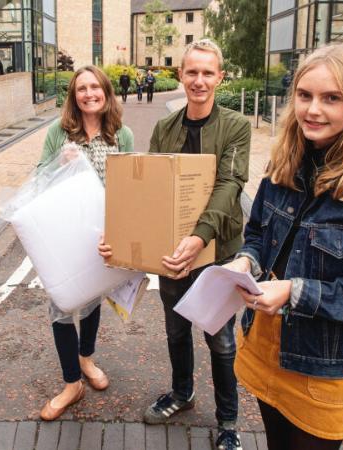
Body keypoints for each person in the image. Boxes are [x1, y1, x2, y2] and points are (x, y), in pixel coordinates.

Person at [229, 43, 343, 450]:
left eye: (332, 98)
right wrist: (247, 259)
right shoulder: (285, 162)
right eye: (305, 95)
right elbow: (258, 231)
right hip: (266, 344)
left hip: (325, 365)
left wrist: (295, 291)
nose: (313, 110)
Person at [100, 39, 250, 450]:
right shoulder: (166, 127)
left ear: (220, 77)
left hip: (217, 250)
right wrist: (123, 238)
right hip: (172, 256)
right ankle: (182, 395)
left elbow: (230, 184)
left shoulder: (235, 126)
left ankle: (229, 421)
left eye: (207, 73)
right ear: (180, 75)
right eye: (191, 72)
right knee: (176, 330)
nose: (199, 81)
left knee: (220, 340)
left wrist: (197, 237)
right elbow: (153, 189)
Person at [38, 65, 135, 421]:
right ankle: (71, 383)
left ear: (106, 92)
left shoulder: (121, 134)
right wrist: (56, 164)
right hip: (64, 233)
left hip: (102, 236)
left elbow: (129, 186)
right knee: (62, 305)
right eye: (81, 88)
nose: (89, 93)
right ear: (73, 95)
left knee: (93, 300)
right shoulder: (58, 131)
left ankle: (86, 358)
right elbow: (38, 177)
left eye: (95, 87)